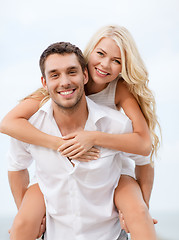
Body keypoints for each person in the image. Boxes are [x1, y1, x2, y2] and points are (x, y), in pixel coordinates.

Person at [0, 25, 160, 239]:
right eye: (101, 54)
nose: (105, 65)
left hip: (112, 166)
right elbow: (7, 124)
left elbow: (143, 146)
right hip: (54, 171)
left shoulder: (118, 90)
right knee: (23, 222)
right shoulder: (50, 94)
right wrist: (59, 145)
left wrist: (92, 137)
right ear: (89, 53)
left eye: (117, 61)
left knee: (138, 213)